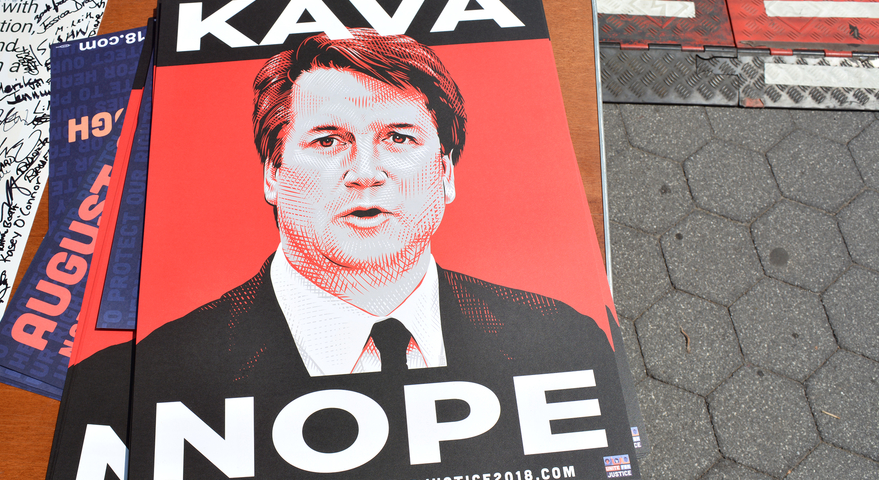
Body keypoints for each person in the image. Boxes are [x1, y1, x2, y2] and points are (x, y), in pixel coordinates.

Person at [135, 28, 618, 384]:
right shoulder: (159, 369)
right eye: (327, 142)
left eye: (399, 138)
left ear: (445, 173)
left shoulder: (565, 340)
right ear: (273, 175)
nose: (365, 171)